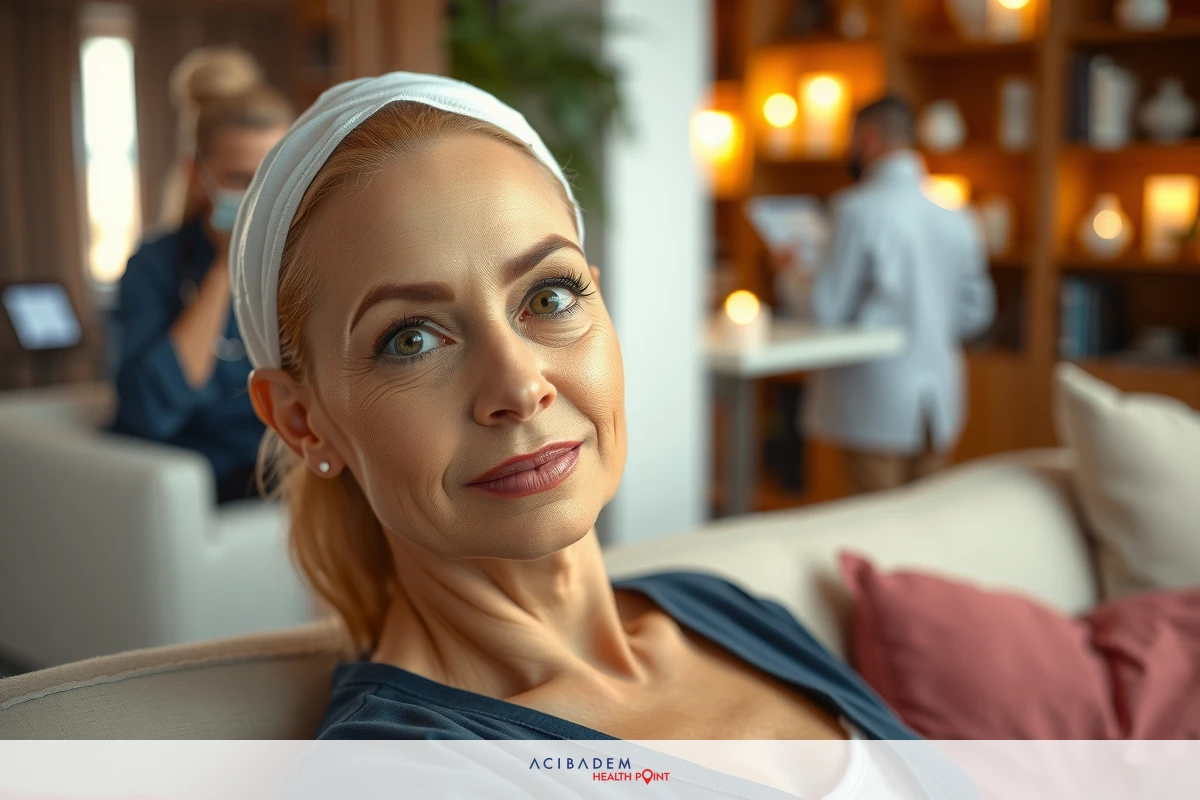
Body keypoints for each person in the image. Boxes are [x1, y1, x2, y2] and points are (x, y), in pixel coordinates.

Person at [230, 73, 972, 797]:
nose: (520, 387)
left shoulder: (722, 611)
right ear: (302, 421)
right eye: (412, 340)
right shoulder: (396, 777)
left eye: (549, 296)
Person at [773, 96, 995, 495]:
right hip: (939, 398)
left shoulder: (856, 210)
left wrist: (790, 273)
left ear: (869, 138)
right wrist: (926, 327)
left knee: (876, 520)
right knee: (925, 517)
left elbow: (826, 307)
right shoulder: (957, 215)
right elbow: (976, 312)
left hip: (873, 400)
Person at [111, 48, 292, 503]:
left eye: (271, 178)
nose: (258, 198)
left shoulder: (301, 266)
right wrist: (225, 267)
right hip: (196, 486)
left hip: (288, 477)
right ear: (196, 175)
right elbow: (150, 411)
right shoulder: (154, 267)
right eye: (240, 179)